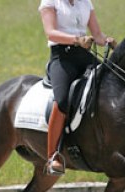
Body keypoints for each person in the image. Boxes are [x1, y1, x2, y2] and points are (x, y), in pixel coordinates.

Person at [39, 0, 117, 176]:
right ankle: (53, 156)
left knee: (112, 85)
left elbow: (96, 34)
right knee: (63, 100)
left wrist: (106, 41)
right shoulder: (50, 2)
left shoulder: (86, 3)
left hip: (84, 55)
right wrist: (76, 39)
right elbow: (50, 33)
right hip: (62, 57)